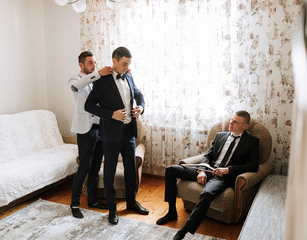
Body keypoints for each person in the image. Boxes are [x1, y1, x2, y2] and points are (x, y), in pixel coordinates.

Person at [156, 110, 259, 240]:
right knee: (171, 170)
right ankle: (171, 212)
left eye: (235, 122)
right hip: (208, 170)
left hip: (223, 176)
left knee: (206, 194)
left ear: (245, 126)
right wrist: (202, 170)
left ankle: (185, 230)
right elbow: (207, 156)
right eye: (231, 119)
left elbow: (253, 166)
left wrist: (228, 170)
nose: (230, 123)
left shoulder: (252, 141)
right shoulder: (220, 136)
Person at [85, 46, 149, 225]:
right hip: (110, 135)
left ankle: (131, 202)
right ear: (114, 61)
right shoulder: (102, 80)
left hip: (129, 133)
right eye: (124, 64)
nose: (127, 67)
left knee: (130, 170)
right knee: (110, 171)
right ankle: (112, 209)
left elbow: (139, 94)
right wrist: (111, 114)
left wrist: (140, 108)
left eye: (129, 64)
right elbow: (89, 105)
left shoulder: (128, 75)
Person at [68, 51, 113, 218]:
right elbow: (78, 86)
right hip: (85, 130)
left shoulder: (97, 79)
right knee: (84, 167)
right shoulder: (75, 79)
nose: (94, 66)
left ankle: (92, 200)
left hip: (100, 128)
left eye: (95, 63)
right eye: (90, 63)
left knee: (95, 168)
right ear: (81, 65)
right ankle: (74, 204)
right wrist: (97, 74)